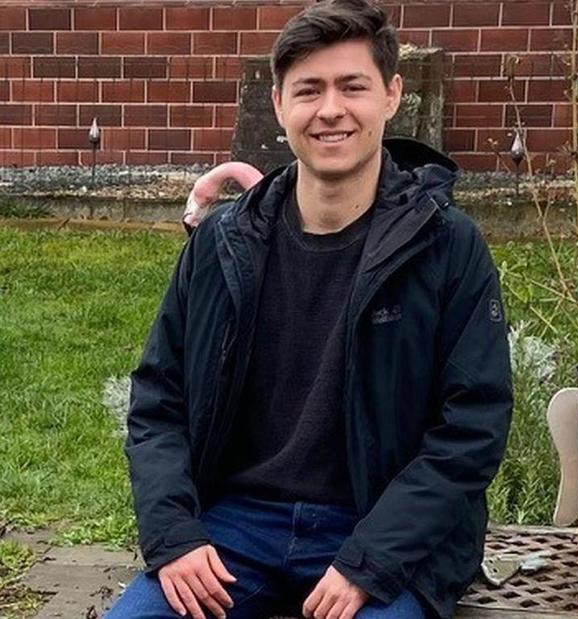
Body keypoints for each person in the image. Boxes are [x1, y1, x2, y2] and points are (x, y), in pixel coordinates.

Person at [105, 0, 512, 617]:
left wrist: (369, 560)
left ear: (391, 95)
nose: (330, 109)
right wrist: (175, 537)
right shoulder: (223, 243)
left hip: (379, 530)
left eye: (353, 86)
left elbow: (471, 430)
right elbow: (159, 402)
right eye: (308, 90)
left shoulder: (446, 245)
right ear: (279, 104)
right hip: (236, 528)